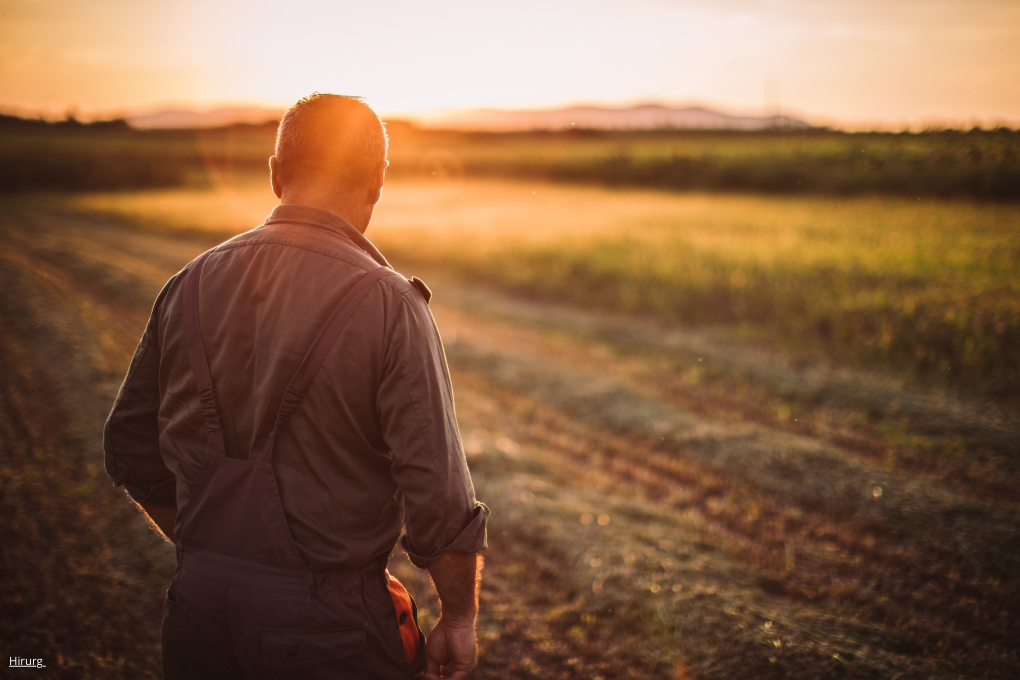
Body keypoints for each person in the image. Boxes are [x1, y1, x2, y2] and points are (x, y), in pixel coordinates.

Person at [103, 93, 488, 680]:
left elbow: (130, 445)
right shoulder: (390, 304)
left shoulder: (191, 282)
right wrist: (458, 621)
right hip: (331, 634)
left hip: (197, 609)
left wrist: (216, 555)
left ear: (276, 173)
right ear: (377, 183)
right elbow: (438, 493)